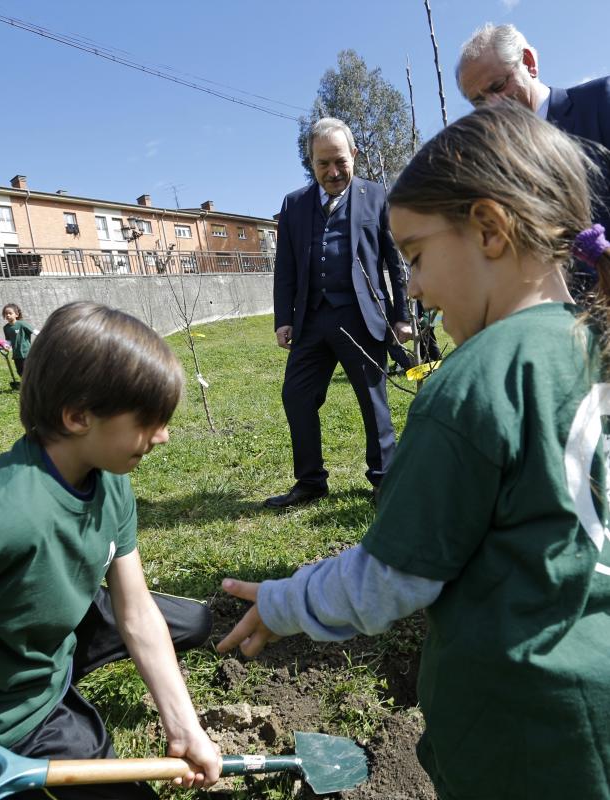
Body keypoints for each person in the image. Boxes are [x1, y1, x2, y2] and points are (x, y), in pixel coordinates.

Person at [217, 102, 610, 798]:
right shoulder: (589, 347)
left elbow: (389, 578)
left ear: (488, 229)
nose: (418, 289)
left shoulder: (474, 383)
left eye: (417, 257)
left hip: (518, 729)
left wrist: (284, 602)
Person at [0, 301, 220, 799]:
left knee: (189, 621)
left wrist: (184, 726)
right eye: (148, 421)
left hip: (46, 653)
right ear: (78, 416)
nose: (163, 436)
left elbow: (135, 611)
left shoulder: (109, 478)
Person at [266, 117, 411, 508]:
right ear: (311, 163)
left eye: (340, 162)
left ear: (354, 156)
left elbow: (393, 261)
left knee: (372, 399)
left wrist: (402, 316)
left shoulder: (376, 196)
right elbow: (287, 266)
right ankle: (310, 481)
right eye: (322, 164)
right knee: (296, 395)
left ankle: (384, 480)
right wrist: (284, 317)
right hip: (311, 319)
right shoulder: (294, 204)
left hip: (361, 316)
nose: (332, 172)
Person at [456, 22, 610, 298]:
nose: (492, 106)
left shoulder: (601, 102)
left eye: (498, 86)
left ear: (528, 62)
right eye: (478, 101)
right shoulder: (495, 168)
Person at [2, 303, 39, 376]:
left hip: (26, 353)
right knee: (20, 372)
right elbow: (8, 340)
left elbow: (35, 332)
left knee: (30, 371)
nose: (8, 315)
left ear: (16, 314)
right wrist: (6, 346)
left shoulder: (22, 324)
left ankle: (33, 384)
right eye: (6, 314)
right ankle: (25, 384)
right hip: (16, 355)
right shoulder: (6, 328)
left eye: (10, 313)